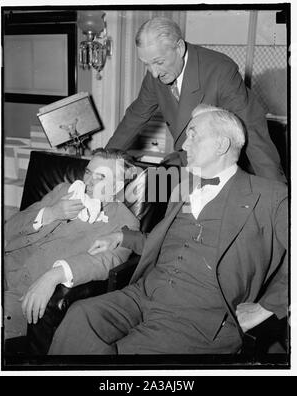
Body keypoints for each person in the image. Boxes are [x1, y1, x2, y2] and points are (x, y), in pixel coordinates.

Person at [48, 105, 288, 355]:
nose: (184, 145)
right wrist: (123, 236)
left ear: (221, 145)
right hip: (144, 294)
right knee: (80, 316)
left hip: (200, 321)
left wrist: (267, 308)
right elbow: (172, 241)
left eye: (193, 135)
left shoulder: (270, 197)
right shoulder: (182, 187)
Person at [106, 16, 285, 183]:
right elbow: (135, 117)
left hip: (223, 164)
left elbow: (254, 136)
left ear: (179, 48)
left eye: (158, 62)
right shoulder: (156, 72)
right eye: (147, 64)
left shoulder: (221, 71)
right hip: (188, 159)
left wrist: (277, 197)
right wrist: (104, 160)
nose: (153, 73)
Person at [3, 149, 140, 340]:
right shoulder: (62, 191)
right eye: (88, 173)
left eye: (100, 177)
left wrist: (54, 275)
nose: (88, 182)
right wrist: (50, 213)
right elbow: (9, 229)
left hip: (23, 294)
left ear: (117, 185)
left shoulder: (125, 222)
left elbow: (106, 261)